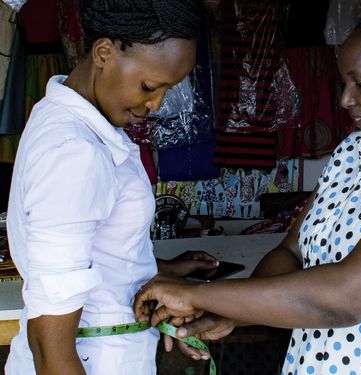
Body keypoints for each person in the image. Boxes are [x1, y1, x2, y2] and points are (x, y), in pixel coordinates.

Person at [134, 6, 361, 374]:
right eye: (345, 84)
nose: (345, 100)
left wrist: (197, 294)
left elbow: (351, 297)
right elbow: (291, 251)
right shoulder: (355, 153)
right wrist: (230, 311)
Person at [5, 1, 217, 374]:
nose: (156, 104)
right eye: (150, 86)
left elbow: (84, 245)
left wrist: (159, 269)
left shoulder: (65, 119)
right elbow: (50, 344)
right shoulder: (75, 151)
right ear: (104, 52)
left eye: (168, 89)